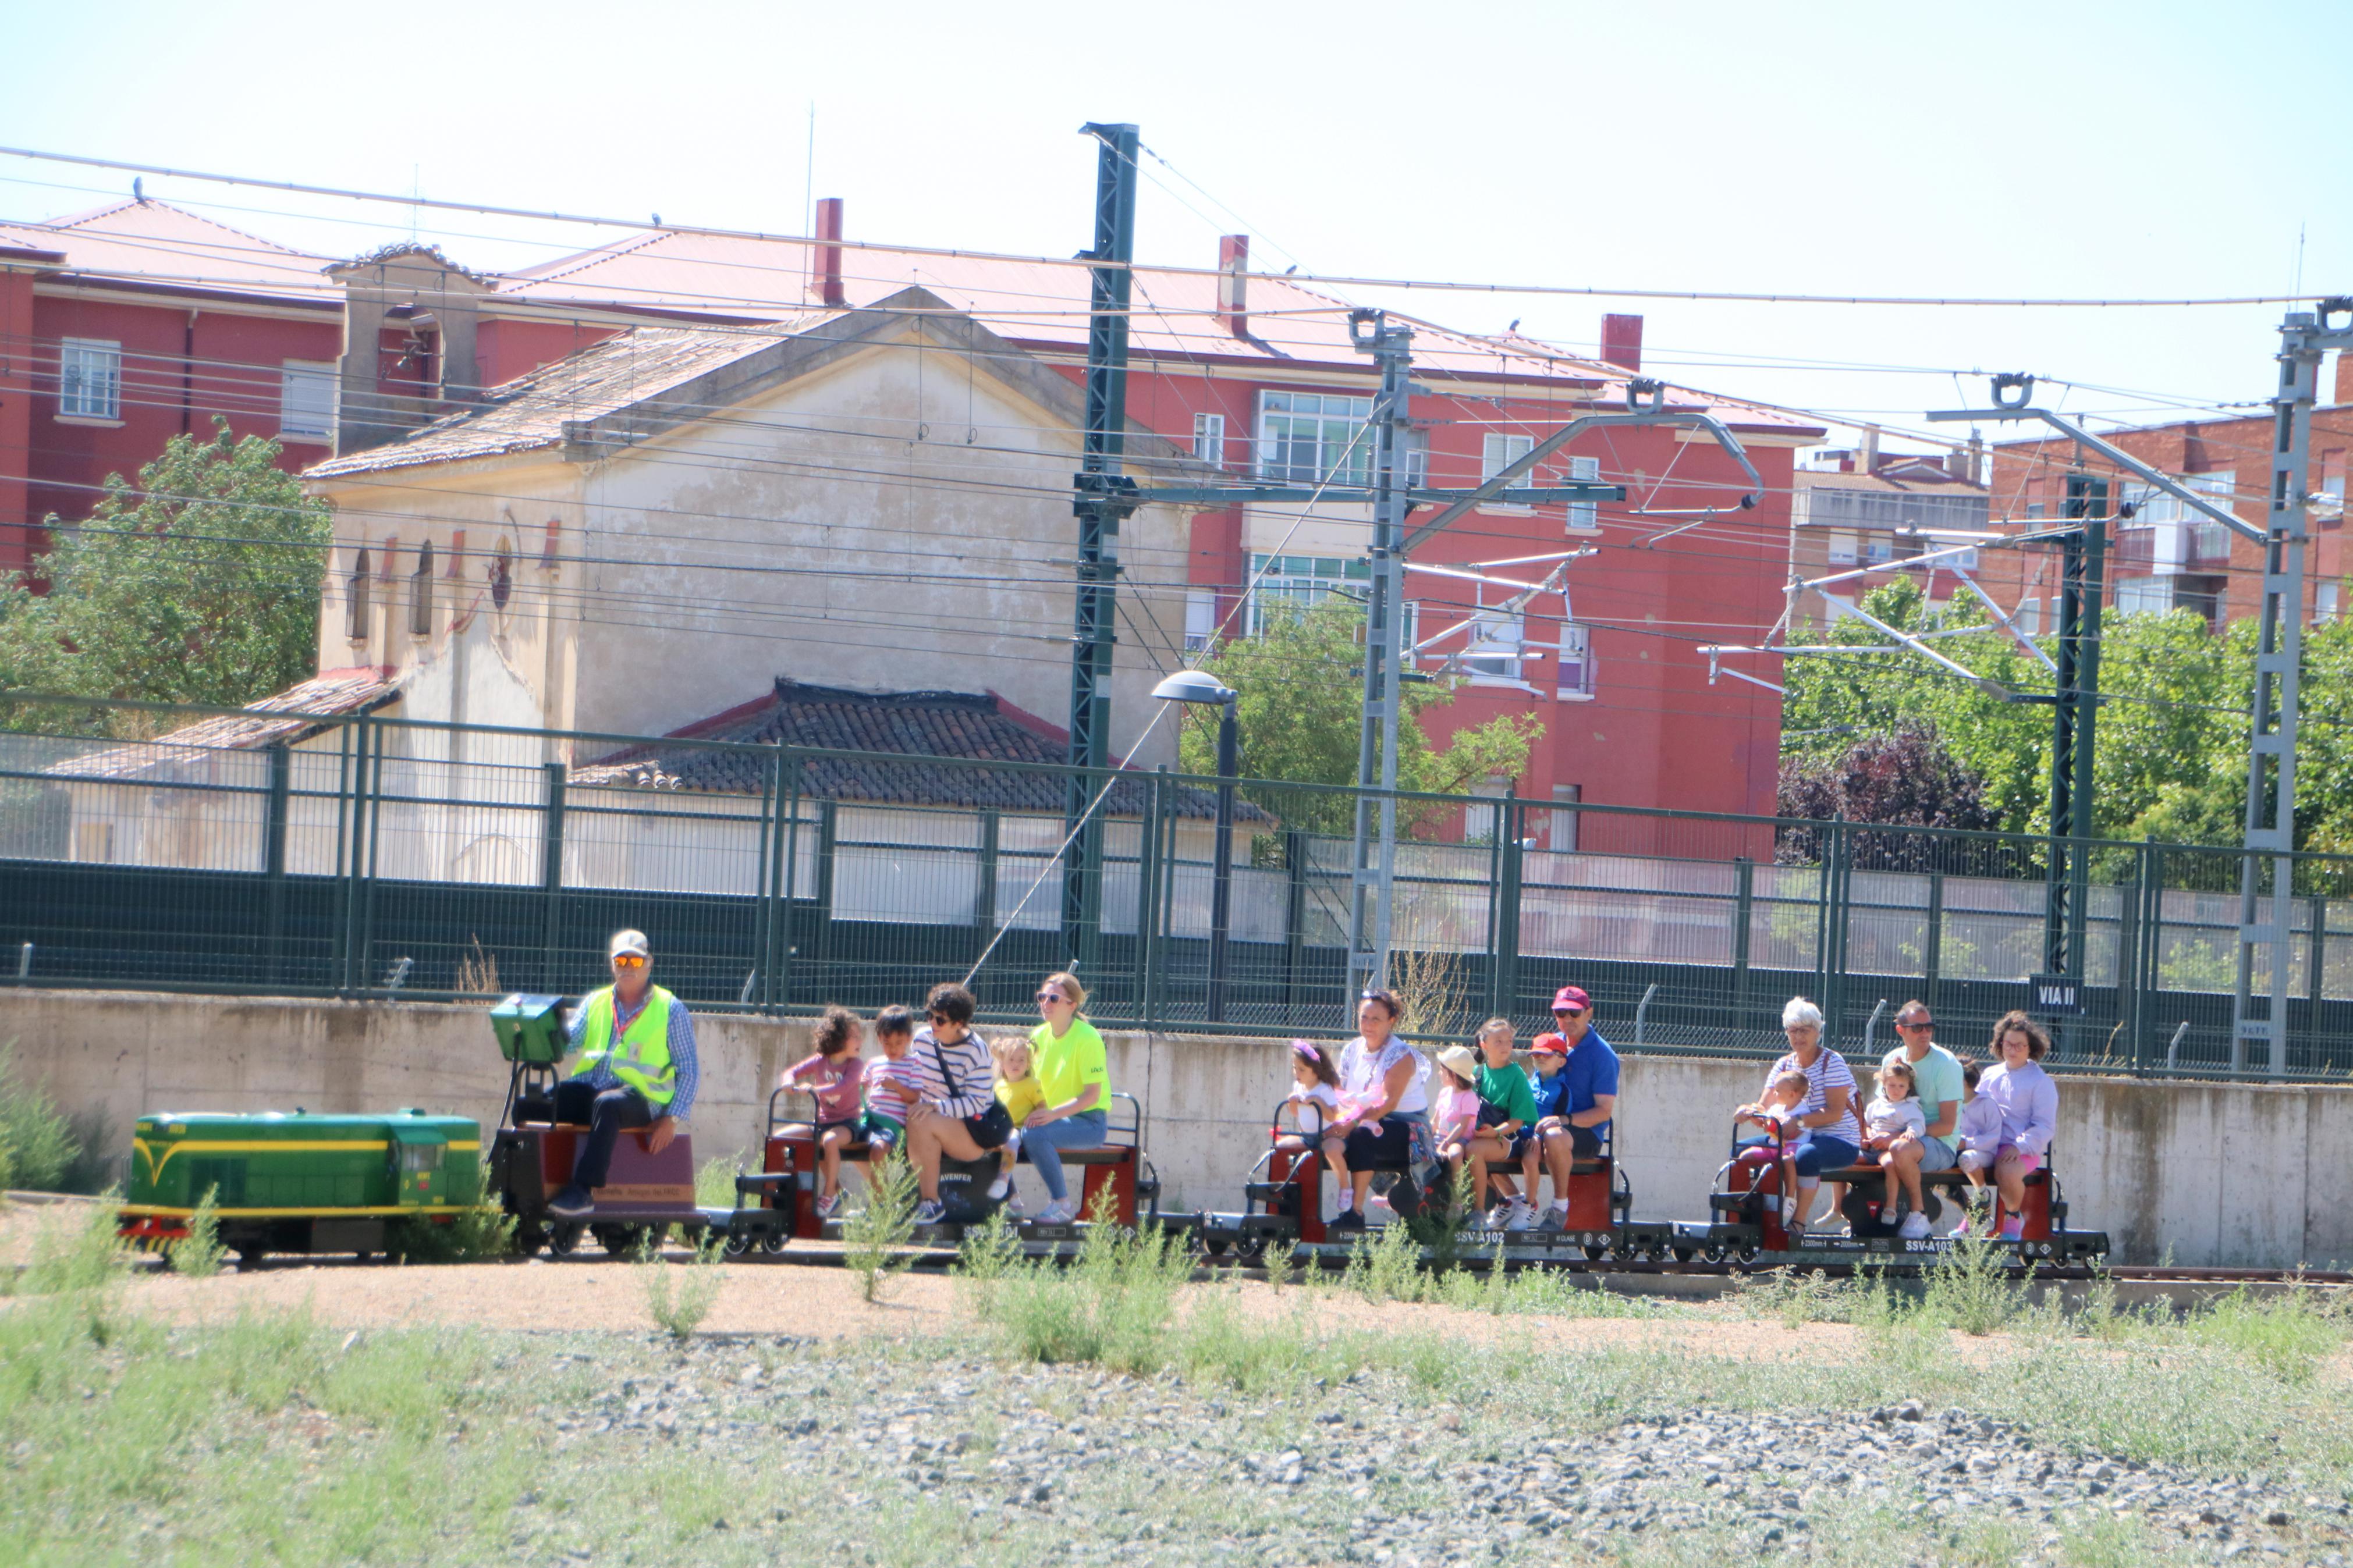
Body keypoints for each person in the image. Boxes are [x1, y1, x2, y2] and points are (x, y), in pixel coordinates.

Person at [548, 929, 699, 1219]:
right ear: (611, 963)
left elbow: (689, 1070)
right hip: (594, 1088)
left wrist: (671, 1118)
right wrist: (543, 1033)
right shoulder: (596, 1001)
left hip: (641, 1098)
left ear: (650, 963)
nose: (628, 967)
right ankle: (519, 1184)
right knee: (540, 1102)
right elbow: (569, 1042)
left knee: (608, 1105)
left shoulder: (671, 1009)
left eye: (636, 961)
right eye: (621, 961)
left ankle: (582, 1192)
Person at [1319, 989, 1431, 1232]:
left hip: (1407, 1127)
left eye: (1376, 1019)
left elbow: (1388, 1104)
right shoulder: (1352, 1049)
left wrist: (1350, 1125)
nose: (1368, 1025)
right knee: (1321, 1135)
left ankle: (1355, 1213)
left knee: (1362, 1136)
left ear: (1391, 1021)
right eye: (1364, 1018)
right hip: (1366, 1118)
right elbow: (1342, 1091)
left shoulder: (1400, 1054)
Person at [1747, 997, 1860, 1232]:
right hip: (1793, 1138)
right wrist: (1749, 1113)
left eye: (1804, 1030)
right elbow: (1764, 1106)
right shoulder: (1784, 1065)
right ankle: (1754, 1215)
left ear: (1817, 1031)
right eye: (1793, 1030)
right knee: (1741, 1151)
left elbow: (1835, 1113)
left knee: (1806, 1156)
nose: (1798, 1036)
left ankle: (1797, 1222)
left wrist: (1798, 1121)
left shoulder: (1832, 1062)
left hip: (1837, 1139)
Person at [906, 983, 1012, 1226]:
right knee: (910, 1119)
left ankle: (931, 1203)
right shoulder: (922, 1041)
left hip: (974, 1136)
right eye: (929, 1016)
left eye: (940, 1020)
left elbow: (977, 1103)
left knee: (922, 1118)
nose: (932, 1023)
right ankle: (894, 1203)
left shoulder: (976, 1050)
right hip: (928, 1124)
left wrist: (936, 1106)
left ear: (959, 1024)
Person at [1020, 972, 1112, 1226]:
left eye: (1053, 999)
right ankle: (1010, 1202)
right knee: (1000, 1132)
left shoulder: (1088, 1038)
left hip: (1089, 1124)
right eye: (1042, 997)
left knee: (1035, 1134)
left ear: (1072, 1005)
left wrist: (1051, 1115)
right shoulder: (1038, 1035)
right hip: (1053, 1118)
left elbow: (1092, 1095)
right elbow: (1028, 1083)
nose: (1045, 1004)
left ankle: (1062, 1205)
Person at [1527, 986, 1619, 1233]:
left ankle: (1559, 1209)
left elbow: (1603, 1112)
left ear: (1589, 1013)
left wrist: (1563, 1120)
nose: (1567, 1019)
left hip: (1584, 1133)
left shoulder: (1603, 1055)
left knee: (1555, 1135)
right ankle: (1513, 1203)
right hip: (1542, 1127)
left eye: (1574, 1013)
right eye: (1560, 1013)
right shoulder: (1553, 1046)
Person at [1880, 999, 1964, 1238]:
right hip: (1897, 1137)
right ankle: (1864, 1216)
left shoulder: (1946, 1064)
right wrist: (1874, 1136)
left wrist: (1899, 1137)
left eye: (1929, 1027)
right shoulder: (1892, 1060)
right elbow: (1882, 1106)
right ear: (1901, 1030)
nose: (1925, 1032)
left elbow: (1947, 1125)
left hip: (1940, 1145)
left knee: (1900, 1149)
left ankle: (1919, 1215)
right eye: (1918, 1028)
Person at [1978, 1011, 2060, 1242]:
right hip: (1988, 1145)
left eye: (2019, 1045)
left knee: (2007, 1170)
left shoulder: (2041, 1082)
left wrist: (2019, 1146)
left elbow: (2044, 1126)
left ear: (2030, 1047)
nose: (2012, 1050)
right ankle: (1972, 1219)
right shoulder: (1989, 1075)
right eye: (2008, 1044)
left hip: (2021, 1151)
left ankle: (2012, 1217)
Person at [778, 1004, 865, 1219]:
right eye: (854, 1036)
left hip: (847, 1123)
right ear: (838, 1038)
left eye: (859, 1036)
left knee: (830, 1141)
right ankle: (790, 1193)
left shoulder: (856, 1065)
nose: (860, 1041)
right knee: (781, 1138)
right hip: (822, 1121)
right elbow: (793, 1071)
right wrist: (789, 1083)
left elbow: (844, 1087)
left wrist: (814, 1090)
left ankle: (829, 1195)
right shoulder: (820, 1060)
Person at [1461, 1018, 1538, 1229]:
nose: (1506, 1046)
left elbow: (1517, 1122)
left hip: (1509, 1139)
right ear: (1483, 1044)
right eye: (1499, 1041)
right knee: (1456, 1149)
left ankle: (1478, 1212)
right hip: (1483, 1135)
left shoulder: (1516, 1074)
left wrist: (1494, 1132)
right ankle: (1509, 1200)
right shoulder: (1477, 1073)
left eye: (1509, 1041)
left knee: (1474, 1151)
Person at [1859, 1061, 1928, 1235]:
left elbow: (1917, 1124)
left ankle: (1891, 1206)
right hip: (1870, 1148)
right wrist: (1866, 1136)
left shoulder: (1910, 1107)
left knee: (1890, 1163)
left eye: (1901, 1086)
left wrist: (1911, 1133)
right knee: (1845, 1157)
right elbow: (1867, 1123)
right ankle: (1838, 1207)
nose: (1896, 1090)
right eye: (1892, 1085)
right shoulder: (1876, 1105)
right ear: (1884, 1084)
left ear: (1908, 1087)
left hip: (1887, 1151)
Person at [1733, 1069, 1813, 1211]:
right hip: (1774, 1146)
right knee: (1746, 1155)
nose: (1775, 1094)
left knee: (1787, 1160)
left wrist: (1778, 1126)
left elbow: (1792, 1135)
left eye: (1778, 1091)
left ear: (1791, 1094)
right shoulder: (1777, 1109)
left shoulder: (1802, 1111)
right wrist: (1755, 1115)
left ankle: (1789, 1198)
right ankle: (1745, 1192)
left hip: (1792, 1146)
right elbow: (1766, 1125)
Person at [858, 1006, 923, 1164]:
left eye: (899, 1043)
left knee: (878, 1151)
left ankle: (882, 1190)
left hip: (891, 1125)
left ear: (909, 1039)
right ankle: (835, 1188)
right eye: (887, 1043)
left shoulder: (913, 1063)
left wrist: (897, 1087)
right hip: (869, 1121)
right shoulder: (874, 1063)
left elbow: (915, 1098)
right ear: (880, 1039)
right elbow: (861, 1088)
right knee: (829, 1140)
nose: (893, 1048)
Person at [988, 1037, 1045, 1210]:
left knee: (1011, 1140)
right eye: (1011, 1060)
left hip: (1021, 1129)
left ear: (1028, 1064)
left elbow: (1042, 1106)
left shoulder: (1032, 1084)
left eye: (1022, 1060)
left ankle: (1003, 1179)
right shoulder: (999, 1086)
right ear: (1002, 1063)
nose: (1016, 1064)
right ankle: (1013, 1200)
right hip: (1000, 1130)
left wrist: (1033, 1118)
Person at [1429, 1046, 1485, 1216]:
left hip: (1461, 1139)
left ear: (1453, 1074)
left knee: (1454, 1154)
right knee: (1415, 1149)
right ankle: (1406, 1192)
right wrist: (1426, 1135)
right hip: (1441, 1137)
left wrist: (1446, 1144)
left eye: (1442, 1070)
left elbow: (1462, 1126)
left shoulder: (1469, 1097)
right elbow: (1436, 1120)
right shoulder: (1444, 1093)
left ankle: (1457, 1198)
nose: (1439, 1074)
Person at [1951, 1057, 2003, 1234]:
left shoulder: (1987, 1104)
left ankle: (1982, 1196)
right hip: (1956, 1152)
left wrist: (1967, 1143)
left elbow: (1994, 1137)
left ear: (1964, 1082)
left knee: (1967, 1158)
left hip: (1984, 1154)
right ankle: (1971, 1211)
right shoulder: (1952, 1104)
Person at [1278, 1040, 1342, 1151]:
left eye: (1302, 1070)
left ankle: (1341, 1169)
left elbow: (1333, 1117)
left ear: (1316, 1071)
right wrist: (1292, 1102)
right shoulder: (1298, 1087)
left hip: (1326, 1137)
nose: (1297, 1073)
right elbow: (1295, 1113)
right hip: (1307, 1138)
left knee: (1333, 1152)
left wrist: (1318, 1101)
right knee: (1279, 1147)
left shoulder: (1324, 1089)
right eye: (1295, 1068)